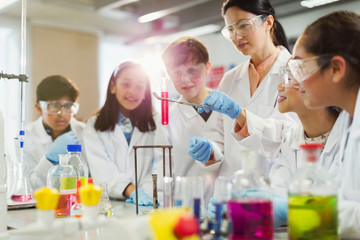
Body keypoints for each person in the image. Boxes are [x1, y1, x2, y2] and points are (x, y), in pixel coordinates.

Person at [206, 68, 342, 228]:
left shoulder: (350, 136)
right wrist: (248, 206)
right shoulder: (292, 140)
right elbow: (279, 194)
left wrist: (291, 208)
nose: (279, 87)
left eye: (290, 77)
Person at [188, 0, 298, 177]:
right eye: (230, 30)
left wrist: (240, 114)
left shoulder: (293, 71)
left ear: (268, 22)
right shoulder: (230, 78)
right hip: (231, 188)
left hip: (271, 186)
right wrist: (208, 150)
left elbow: (288, 135)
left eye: (243, 26)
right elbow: (217, 136)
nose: (237, 36)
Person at [287, 11, 360, 238]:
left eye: (300, 68)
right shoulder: (347, 122)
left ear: (336, 69)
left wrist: (308, 209)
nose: (294, 82)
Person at [155, 37, 221, 205]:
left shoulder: (227, 108)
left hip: (228, 204)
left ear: (207, 68)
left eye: (192, 70)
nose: (185, 80)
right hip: (188, 208)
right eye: (176, 73)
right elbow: (165, 175)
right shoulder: (166, 120)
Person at [83, 61, 156, 206]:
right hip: (110, 205)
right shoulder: (94, 125)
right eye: (126, 84)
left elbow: (159, 166)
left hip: (147, 203)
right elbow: (101, 170)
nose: (132, 91)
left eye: (140, 86)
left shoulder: (156, 124)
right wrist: (132, 191)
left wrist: (146, 192)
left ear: (145, 94)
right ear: (113, 87)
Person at [24, 75, 84, 190]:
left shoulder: (84, 132)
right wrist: (49, 160)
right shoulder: (25, 137)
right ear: (39, 108)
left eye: (68, 106)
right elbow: (29, 187)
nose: (62, 113)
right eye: (54, 106)